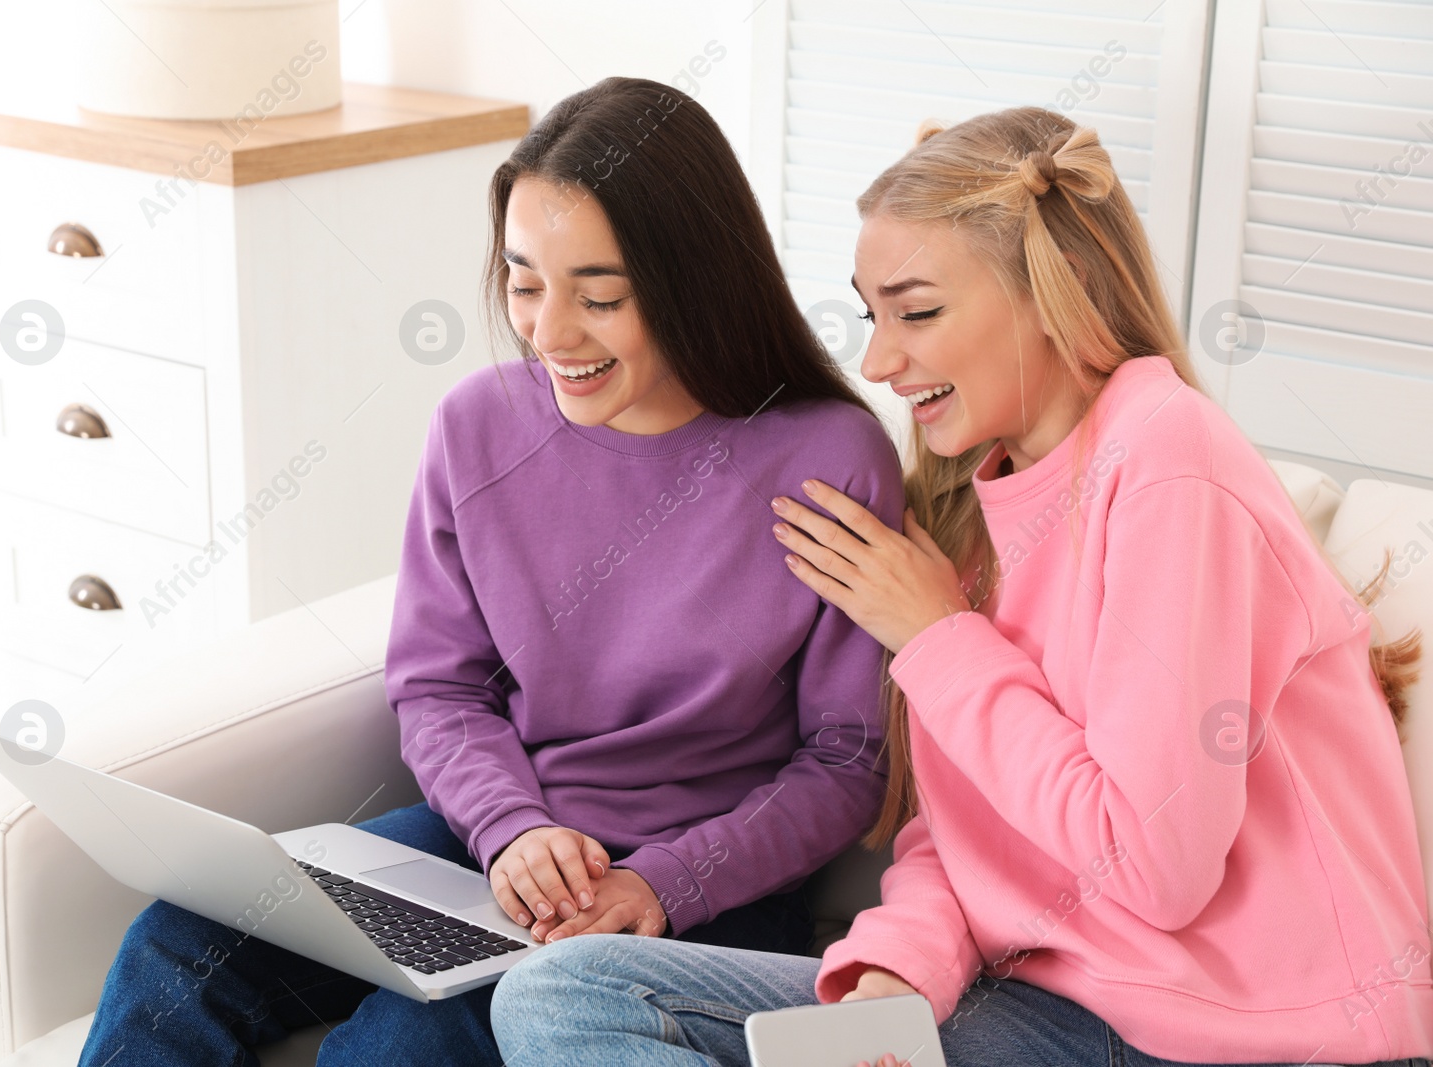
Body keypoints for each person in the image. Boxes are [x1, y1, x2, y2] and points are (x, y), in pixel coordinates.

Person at [489, 106, 1433, 1067]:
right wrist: (895, 973)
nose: (878, 362)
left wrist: (940, 635)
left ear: (1050, 295)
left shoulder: (1166, 460)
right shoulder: (972, 511)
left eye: (919, 312)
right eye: (872, 314)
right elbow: (972, 835)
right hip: (1047, 1008)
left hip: (1251, 1037)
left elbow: (1155, 867)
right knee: (563, 996)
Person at [75, 76, 904, 1066]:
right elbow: (438, 680)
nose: (550, 334)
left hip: (702, 895)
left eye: (599, 296)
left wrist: (663, 882)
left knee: (401, 1046)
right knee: (176, 940)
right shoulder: (476, 427)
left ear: (694, 279)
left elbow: (846, 760)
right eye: (522, 280)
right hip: (495, 848)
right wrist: (509, 828)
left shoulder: (827, 456)